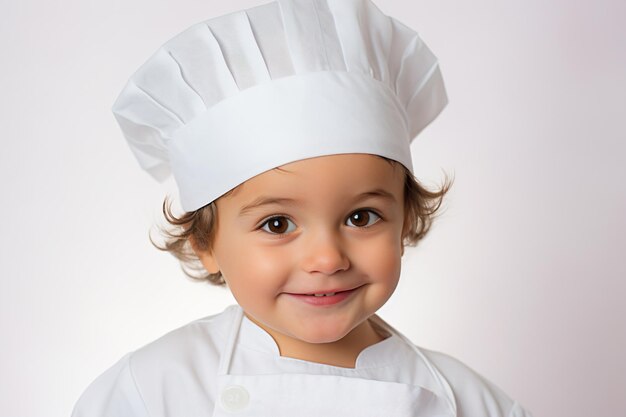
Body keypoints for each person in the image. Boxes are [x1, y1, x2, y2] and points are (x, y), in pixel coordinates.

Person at [72, 0, 533, 416]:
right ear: (205, 243)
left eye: (361, 217)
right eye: (277, 224)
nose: (328, 259)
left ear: (405, 220)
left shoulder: (470, 402)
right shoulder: (155, 389)